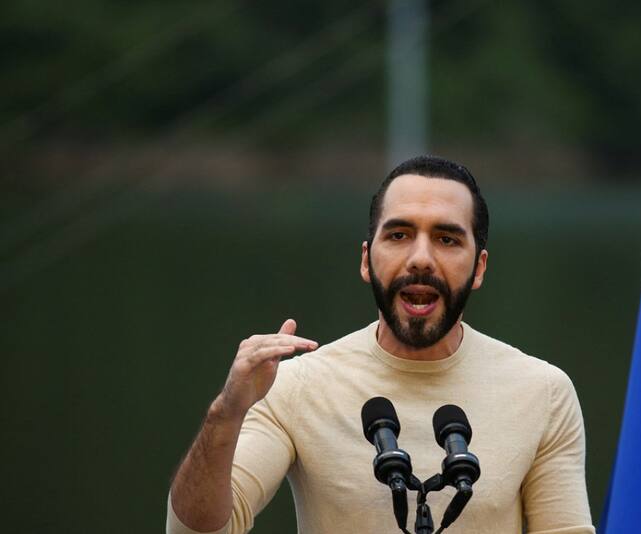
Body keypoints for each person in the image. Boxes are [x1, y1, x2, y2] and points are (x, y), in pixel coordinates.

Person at [167, 156, 594, 534]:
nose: (421, 258)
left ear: (479, 267)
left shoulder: (543, 392)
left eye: (447, 239)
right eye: (399, 235)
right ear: (366, 260)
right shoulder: (292, 385)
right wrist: (226, 413)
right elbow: (196, 532)